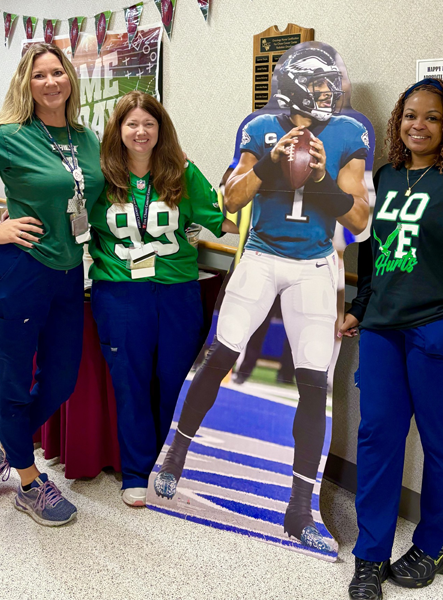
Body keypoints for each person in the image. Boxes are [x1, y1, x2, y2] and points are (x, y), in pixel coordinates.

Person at [152, 45, 371, 552]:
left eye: (329, 84)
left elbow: (358, 221)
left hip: (315, 263)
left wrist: (319, 180)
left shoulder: (348, 132)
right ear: (293, 85)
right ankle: (176, 457)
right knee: (219, 355)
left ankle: (299, 510)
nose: (327, 93)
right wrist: (272, 165)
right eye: (318, 85)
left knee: (315, 383)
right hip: (261, 255)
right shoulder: (260, 127)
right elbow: (230, 200)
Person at [338, 78, 443, 600]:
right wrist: (360, 309)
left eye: (432, 117)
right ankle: (370, 556)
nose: (419, 125)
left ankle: (438, 544)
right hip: (386, 330)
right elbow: (371, 260)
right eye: (411, 115)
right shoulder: (384, 177)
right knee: (378, 438)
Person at [0, 43, 105, 526]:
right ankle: (29, 482)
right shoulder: (9, 136)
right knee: (14, 388)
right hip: (17, 273)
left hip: (66, 274)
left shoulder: (85, 136)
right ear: (26, 83)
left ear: (70, 80)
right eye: (41, 75)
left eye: (59, 72)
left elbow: (91, 195)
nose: (52, 81)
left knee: (59, 379)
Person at [87, 91, 238, 507]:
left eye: (149, 124)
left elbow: (222, 220)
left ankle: (170, 467)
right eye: (132, 124)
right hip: (120, 292)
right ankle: (136, 472)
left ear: (161, 130)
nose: (140, 131)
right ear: (118, 130)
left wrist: (271, 212)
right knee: (131, 382)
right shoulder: (101, 175)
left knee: (176, 380)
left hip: (176, 291)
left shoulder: (181, 172)